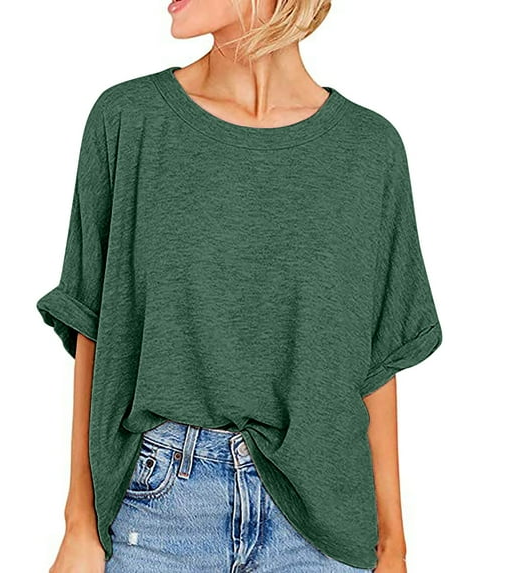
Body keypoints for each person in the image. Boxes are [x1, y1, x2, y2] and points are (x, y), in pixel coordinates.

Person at [37, 1, 443, 572]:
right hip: (158, 513)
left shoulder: (368, 149)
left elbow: (377, 362)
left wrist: (393, 546)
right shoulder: (129, 120)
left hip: (324, 525)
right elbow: (93, 328)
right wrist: (79, 524)